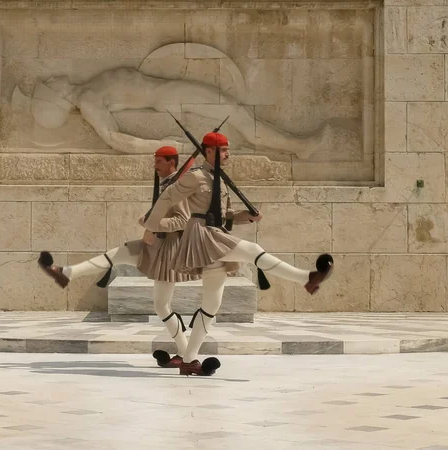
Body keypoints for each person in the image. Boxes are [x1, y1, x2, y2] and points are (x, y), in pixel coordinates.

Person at [142, 131, 334, 376]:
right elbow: (166, 197)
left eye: (227, 149)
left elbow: (226, 217)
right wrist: (151, 227)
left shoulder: (219, 179)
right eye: (223, 150)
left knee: (212, 303)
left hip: (216, 232)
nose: (228, 154)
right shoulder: (196, 177)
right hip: (203, 235)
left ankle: (189, 361)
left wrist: (248, 217)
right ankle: (306, 278)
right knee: (252, 250)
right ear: (209, 151)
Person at [38, 146, 197, 368]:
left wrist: (152, 224)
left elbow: (182, 220)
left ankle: (186, 353)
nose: (155, 166)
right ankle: (67, 273)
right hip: (154, 244)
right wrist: (148, 220)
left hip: (167, 250)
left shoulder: (176, 188)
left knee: (162, 305)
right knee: (116, 254)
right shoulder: (166, 184)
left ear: (172, 163)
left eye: (160, 162)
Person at [25, 69, 333, 159]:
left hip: (171, 92)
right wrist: (176, 147)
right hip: (171, 97)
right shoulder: (89, 100)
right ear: (60, 97)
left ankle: (295, 146)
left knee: (237, 115)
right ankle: (298, 147)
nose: (52, 77)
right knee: (237, 116)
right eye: (49, 84)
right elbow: (116, 140)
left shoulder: (89, 87)